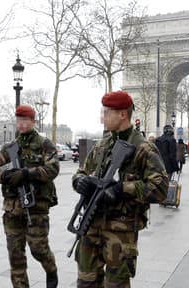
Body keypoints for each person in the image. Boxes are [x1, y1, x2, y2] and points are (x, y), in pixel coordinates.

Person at [72, 91, 168, 287]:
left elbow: (160, 188)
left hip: (120, 231)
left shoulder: (143, 148)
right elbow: (81, 171)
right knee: (85, 282)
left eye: (107, 113)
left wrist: (121, 189)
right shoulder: (101, 145)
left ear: (123, 114)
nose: (102, 117)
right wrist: (80, 182)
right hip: (91, 225)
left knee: (115, 284)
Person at [0, 105, 60, 288]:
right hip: (12, 209)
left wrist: (28, 174)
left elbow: (53, 169)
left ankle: (51, 269)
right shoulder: (10, 148)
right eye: (19, 121)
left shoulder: (44, 144)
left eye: (25, 121)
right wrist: (7, 176)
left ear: (33, 122)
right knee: (15, 255)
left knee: (39, 249)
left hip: (36, 207)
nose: (21, 125)